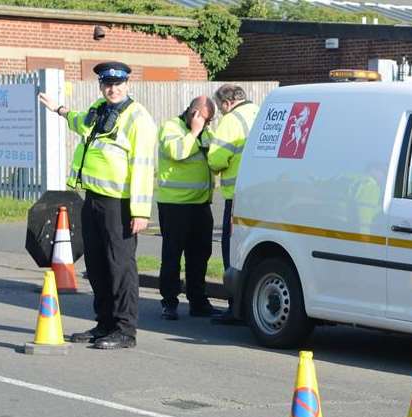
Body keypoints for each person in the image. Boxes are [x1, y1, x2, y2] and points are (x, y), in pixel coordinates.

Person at [38, 61, 156, 349]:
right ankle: (104, 323)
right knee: (97, 264)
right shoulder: (100, 108)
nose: (112, 89)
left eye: (117, 84)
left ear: (128, 85)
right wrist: (59, 109)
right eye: (107, 84)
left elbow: (142, 166)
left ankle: (125, 330)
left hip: (120, 204)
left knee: (120, 266)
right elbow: (81, 122)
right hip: (93, 198)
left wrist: (140, 211)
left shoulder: (138, 118)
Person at [156, 96, 221, 320]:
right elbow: (177, 152)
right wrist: (193, 132)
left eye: (209, 120)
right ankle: (169, 302)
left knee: (200, 254)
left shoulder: (206, 132)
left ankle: (198, 300)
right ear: (193, 113)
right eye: (205, 118)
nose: (207, 124)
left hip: (200, 204)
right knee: (173, 255)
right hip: (175, 203)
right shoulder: (171, 128)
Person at [208, 84, 260, 325]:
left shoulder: (231, 120)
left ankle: (234, 309)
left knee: (233, 254)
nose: (220, 111)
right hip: (262, 193)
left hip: (237, 196)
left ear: (226, 103)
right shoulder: (260, 113)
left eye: (220, 107)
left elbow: (216, 159)